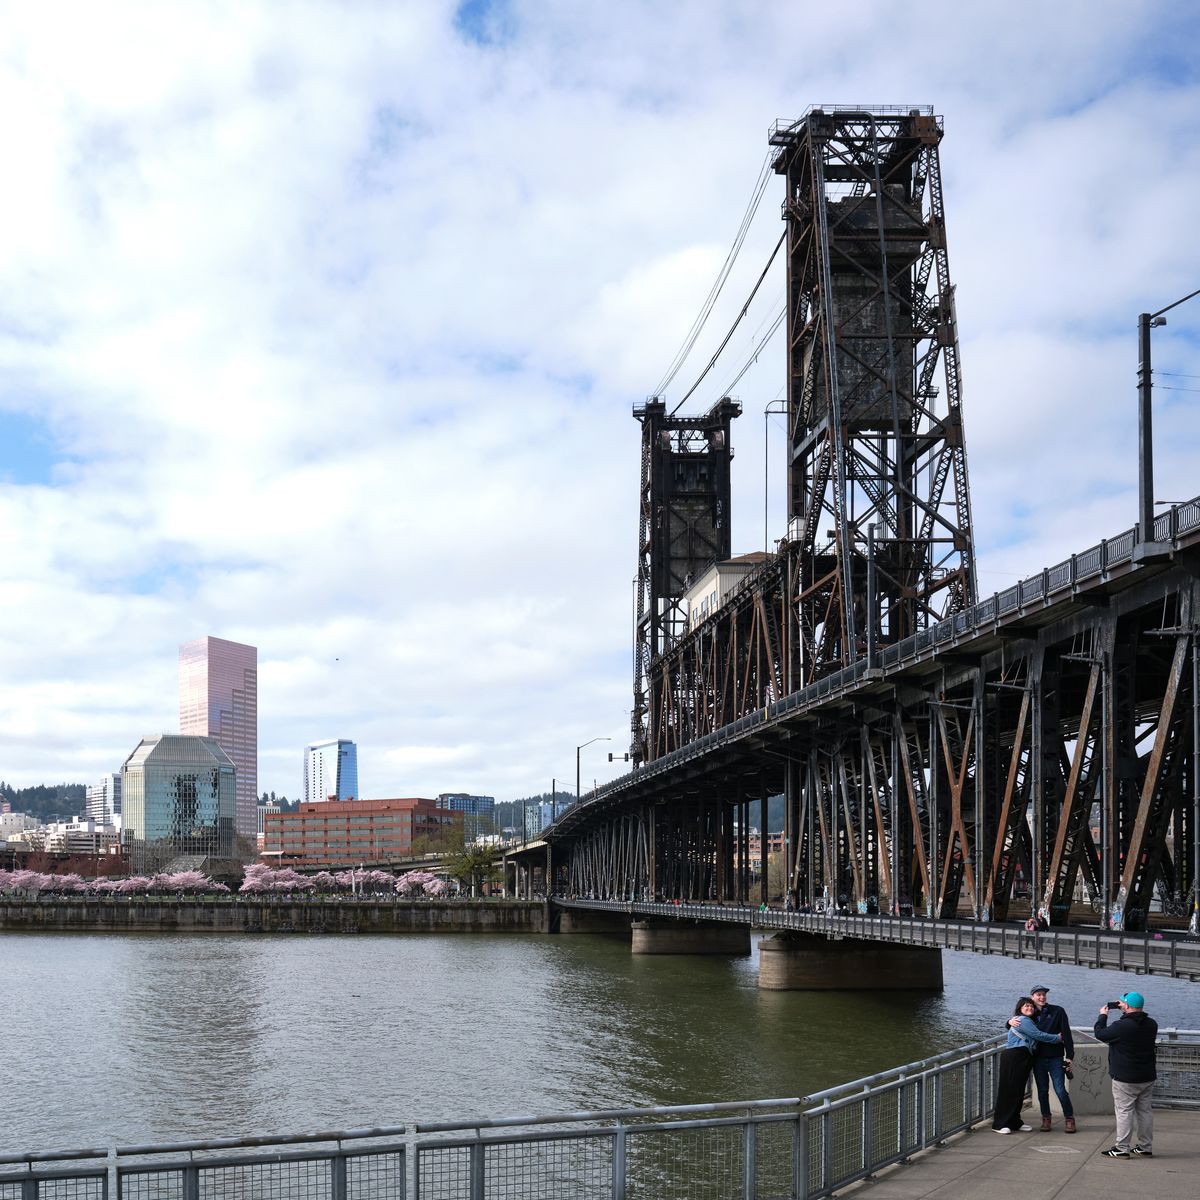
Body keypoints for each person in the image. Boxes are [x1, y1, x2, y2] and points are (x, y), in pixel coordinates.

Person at [1094, 991, 1157, 1159]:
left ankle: (1122, 1148)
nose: (1120, 1005)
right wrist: (1123, 1006)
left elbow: (1100, 1034)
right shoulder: (1152, 1024)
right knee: (1145, 1112)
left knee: (1124, 1112)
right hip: (1147, 1075)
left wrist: (1102, 1016)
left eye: (1122, 1003)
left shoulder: (1121, 1026)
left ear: (1127, 1006)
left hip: (1125, 1077)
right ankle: (1145, 1146)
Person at [993, 996, 1063, 1134]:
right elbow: (1038, 1035)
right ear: (1020, 1009)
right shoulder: (1023, 1020)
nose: (1029, 1008)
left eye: (1031, 1006)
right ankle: (1000, 1124)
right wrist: (1058, 1038)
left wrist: (1008, 1022)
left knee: (1018, 1091)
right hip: (1014, 1056)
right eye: (1026, 1006)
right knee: (1009, 1090)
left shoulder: (1030, 1020)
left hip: (1023, 1057)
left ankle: (1014, 1122)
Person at [1027, 985, 1075, 1132]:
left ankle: (1069, 1119)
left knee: (1060, 1090)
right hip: (1038, 1058)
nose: (1042, 997)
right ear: (1032, 997)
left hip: (1055, 1057)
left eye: (1044, 995)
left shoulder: (1057, 1011)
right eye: (1038, 995)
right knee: (1042, 1090)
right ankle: (1046, 1118)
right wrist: (1008, 1023)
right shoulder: (1029, 1012)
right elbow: (1016, 1022)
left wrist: (1070, 1056)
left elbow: (1066, 1034)